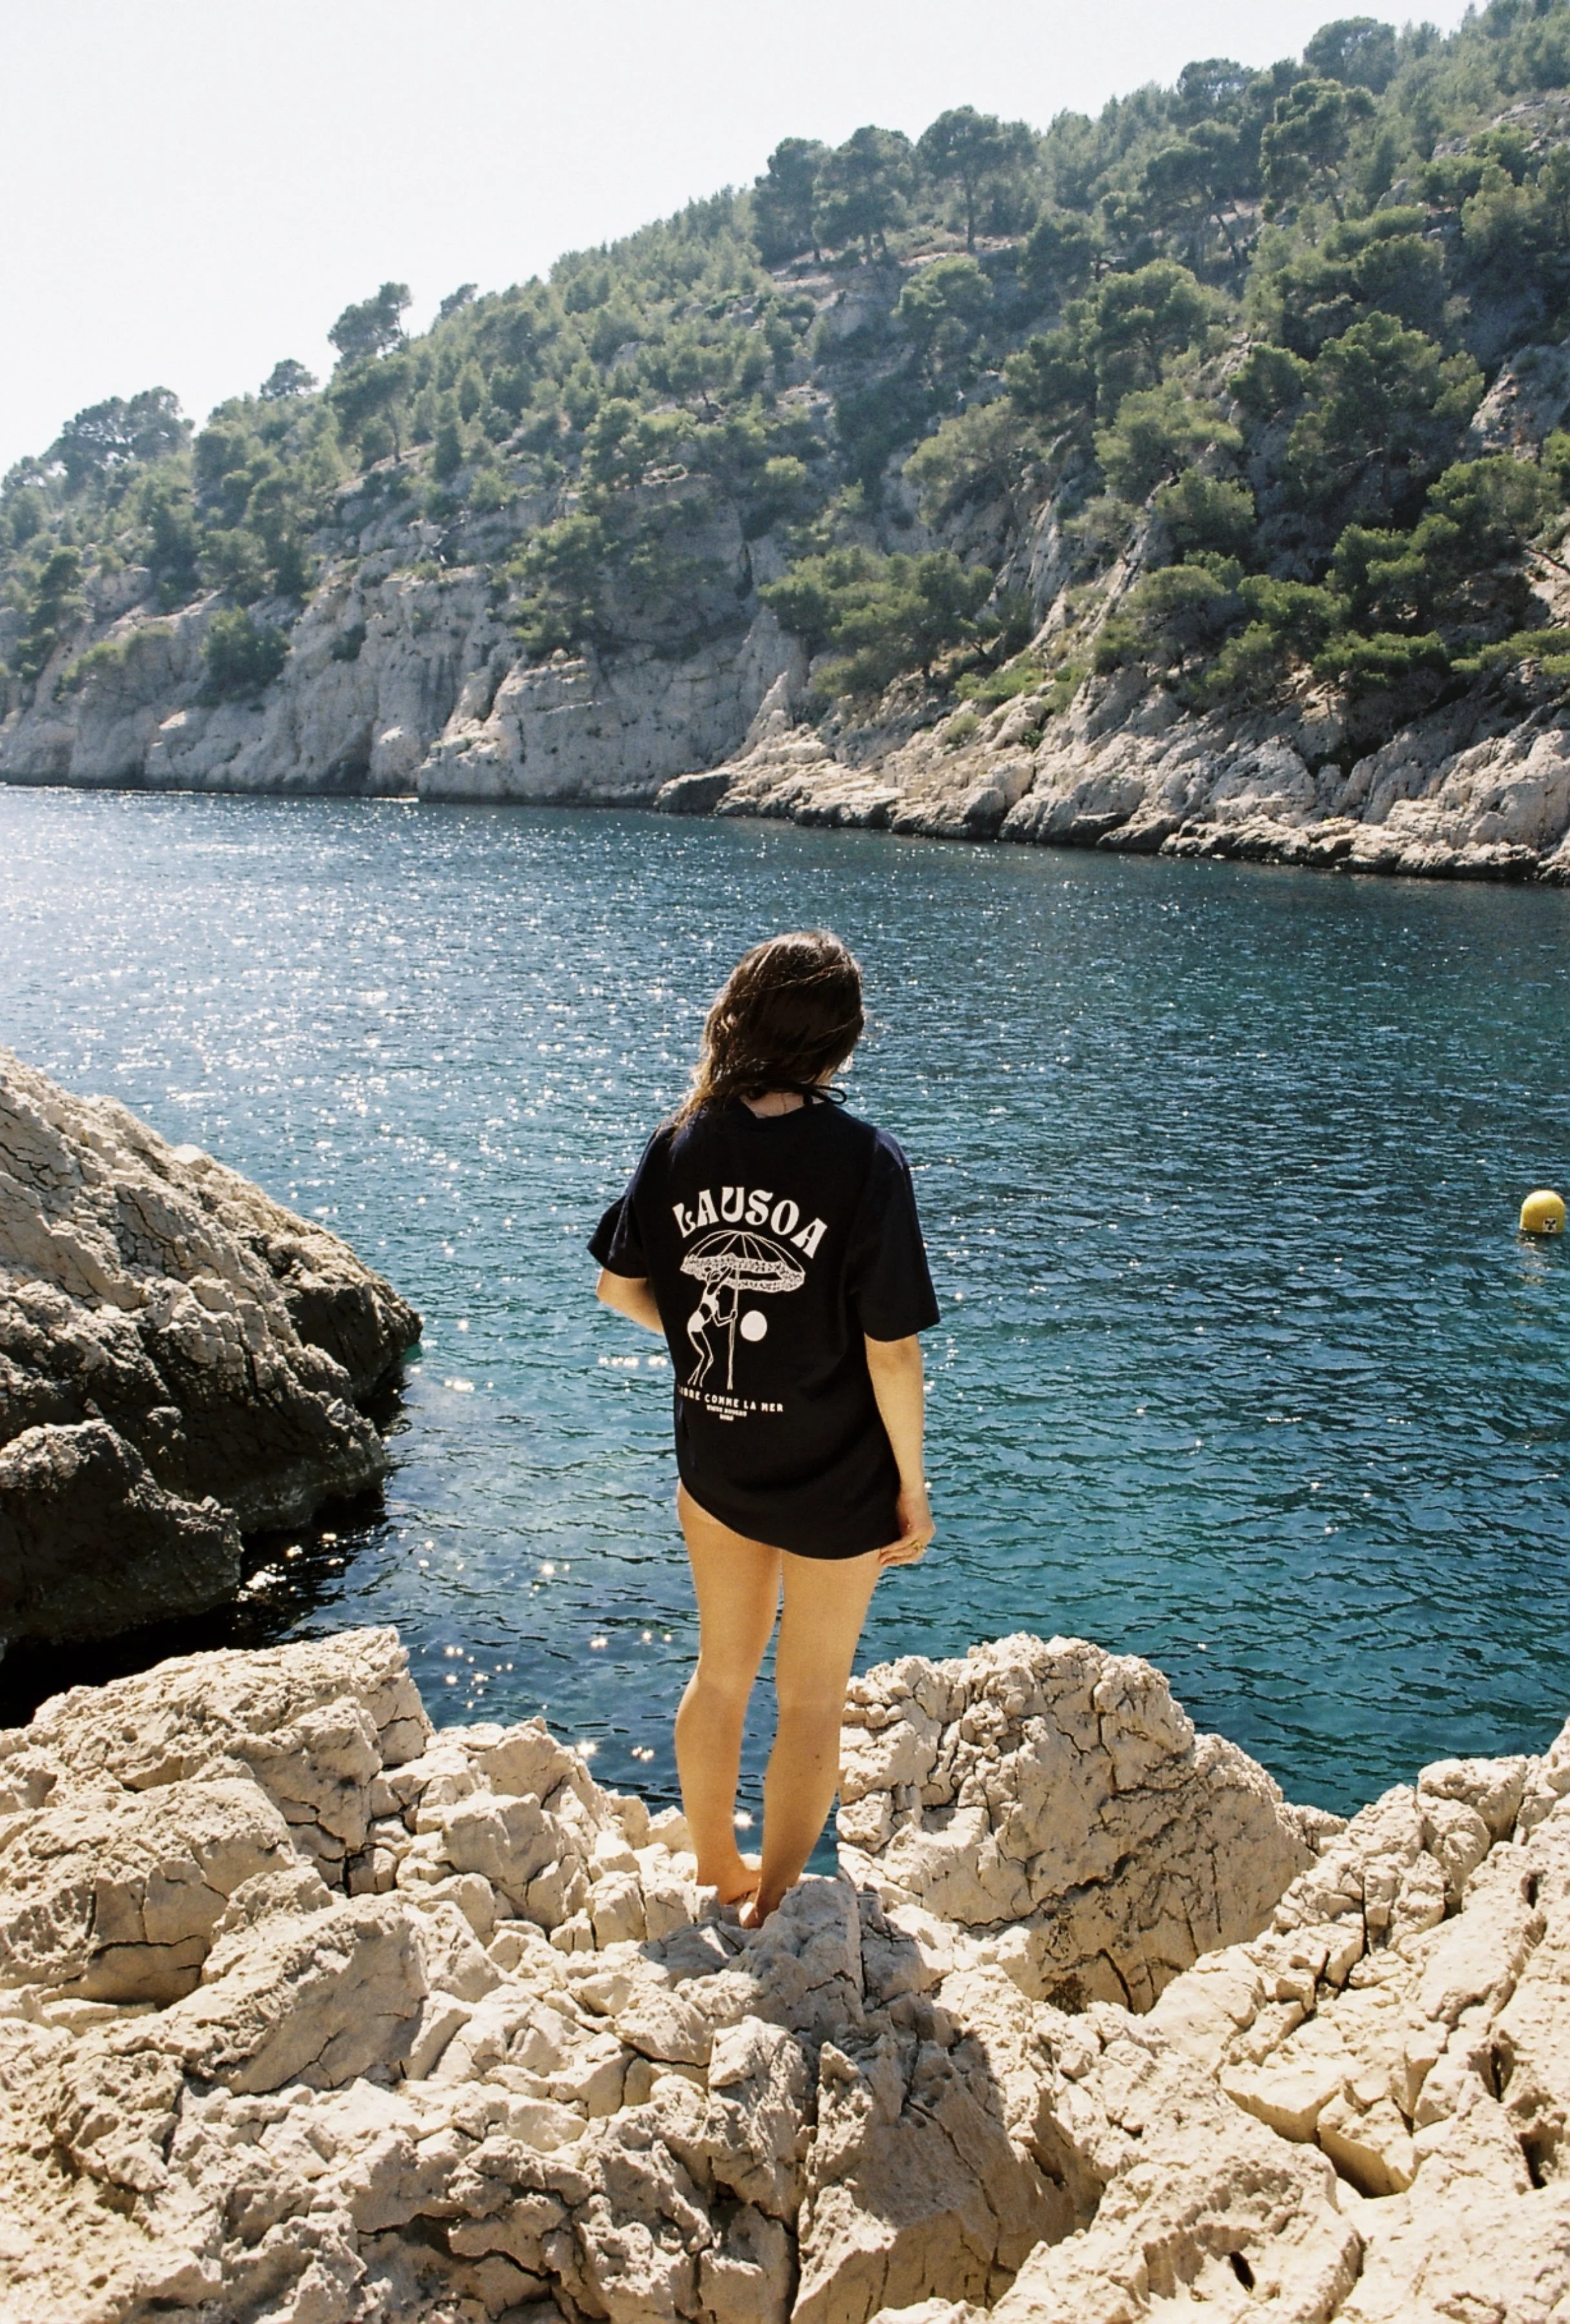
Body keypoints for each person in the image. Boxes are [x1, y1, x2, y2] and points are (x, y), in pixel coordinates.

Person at [590, 929, 938, 1925]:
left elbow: (622, 1289)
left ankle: (716, 1871)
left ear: (739, 1016)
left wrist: (704, 1350)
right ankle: (777, 1903)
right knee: (813, 1698)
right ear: (840, 1043)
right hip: (838, 1480)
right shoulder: (867, 1162)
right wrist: (911, 1486)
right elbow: (893, 1352)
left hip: (719, 1462)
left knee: (722, 1671)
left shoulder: (681, 1142)